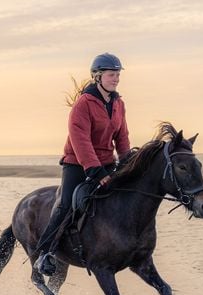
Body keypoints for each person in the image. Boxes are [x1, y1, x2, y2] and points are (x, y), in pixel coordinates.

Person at [33, 52, 132, 276]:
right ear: (97, 76)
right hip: (77, 163)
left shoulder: (118, 104)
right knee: (66, 203)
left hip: (107, 163)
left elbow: (122, 137)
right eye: (111, 75)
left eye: (117, 74)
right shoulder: (83, 104)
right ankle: (45, 253)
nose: (115, 79)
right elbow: (81, 140)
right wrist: (95, 171)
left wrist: (127, 161)